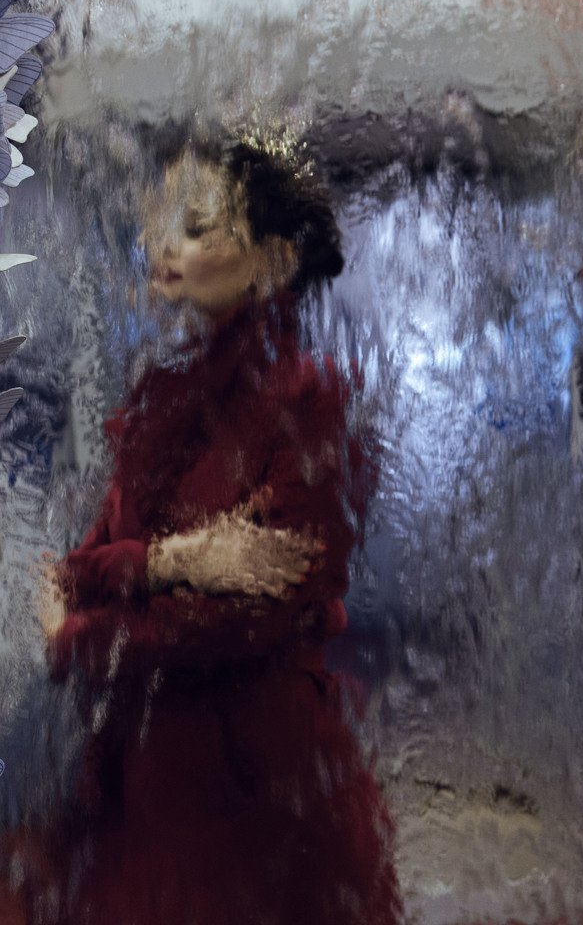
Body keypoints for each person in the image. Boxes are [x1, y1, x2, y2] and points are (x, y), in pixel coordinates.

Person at [9, 135, 401, 924]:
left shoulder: (311, 403)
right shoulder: (163, 395)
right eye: (162, 222)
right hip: (137, 766)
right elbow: (76, 569)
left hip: (248, 789)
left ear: (274, 261)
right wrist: (169, 561)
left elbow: (241, 620)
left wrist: (75, 637)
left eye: (194, 226)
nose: (162, 243)